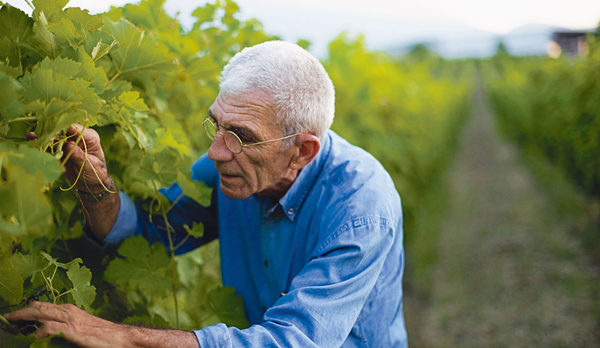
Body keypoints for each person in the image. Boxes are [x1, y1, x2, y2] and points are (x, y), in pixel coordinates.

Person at [6, 41, 407, 347]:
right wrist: (96, 188)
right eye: (216, 124)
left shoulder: (361, 209)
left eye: (241, 137)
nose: (215, 152)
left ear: (302, 151)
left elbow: (293, 340)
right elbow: (147, 231)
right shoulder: (230, 167)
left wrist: (121, 337)